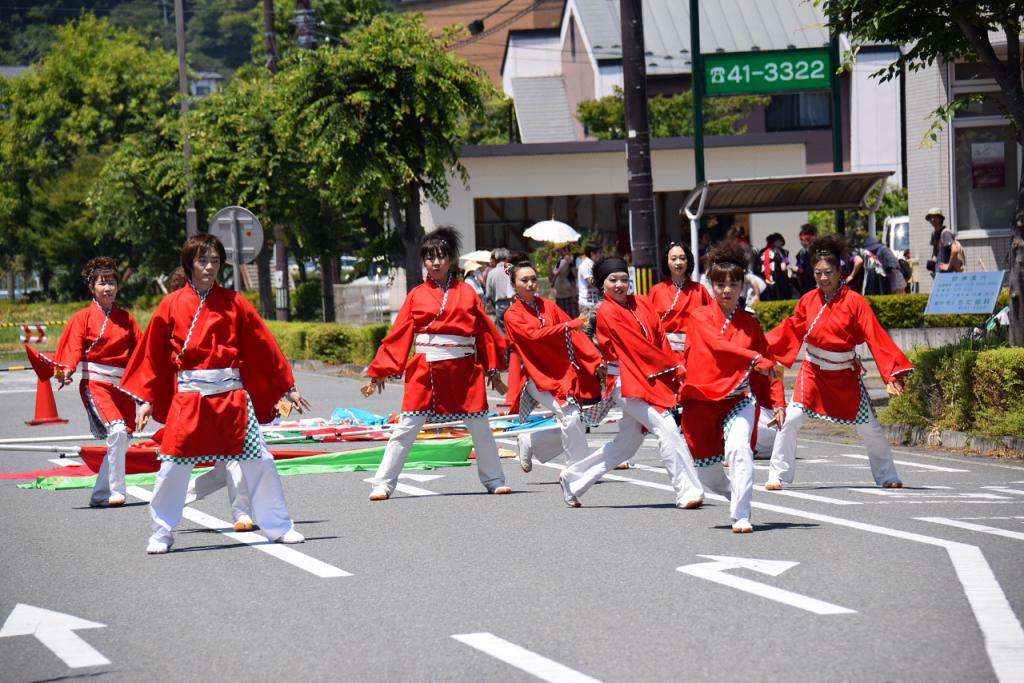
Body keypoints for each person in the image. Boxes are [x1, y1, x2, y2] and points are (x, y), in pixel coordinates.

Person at [121, 234, 309, 554]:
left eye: (215, 261)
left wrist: (286, 387)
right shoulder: (171, 305)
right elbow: (151, 354)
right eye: (202, 261)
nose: (209, 267)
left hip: (232, 396)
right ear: (189, 264)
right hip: (189, 398)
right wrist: (144, 401)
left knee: (260, 459)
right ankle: (162, 531)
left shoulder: (235, 303)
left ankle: (278, 526)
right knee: (173, 466)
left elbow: (264, 345)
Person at [363, 227, 511, 500]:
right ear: (423, 262)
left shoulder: (467, 292)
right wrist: (381, 369)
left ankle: (494, 478)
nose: (436, 262)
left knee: (480, 428)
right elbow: (400, 334)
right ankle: (383, 483)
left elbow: (485, 332)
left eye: (441, 256)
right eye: (430, 258)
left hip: (465, 370)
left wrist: (492, 366)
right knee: (406, 427)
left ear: (451, 259)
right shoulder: (417, 294)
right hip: (426, 368)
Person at [764, 235, 913, 491]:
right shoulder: (808, 300)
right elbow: (790, 330)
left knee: (870, 428)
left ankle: (887, 475)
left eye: (828, 273)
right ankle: (777, 475)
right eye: (818, 273)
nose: (823, 278)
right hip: (812, 374)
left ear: (840, 271)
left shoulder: (855, 302)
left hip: (845, 374)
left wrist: (891, 373)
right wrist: (764, 353)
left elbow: (875, 335)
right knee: (790, 420)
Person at [558, 257, 705, 509]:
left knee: (627, 445)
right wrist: (670, 368)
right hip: (626, 383)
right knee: (666, 426)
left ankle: (573, 479)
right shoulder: (606, 311)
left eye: (624, 279)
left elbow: (659, 337)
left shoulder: (642, 303)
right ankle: (687, 490)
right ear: (602, 285)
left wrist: (673, 365)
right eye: (612, 280)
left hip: (647, 376)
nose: (619, 285)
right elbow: (635, 346)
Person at [679, 242, 786, 533]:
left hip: (739, 399)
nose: (727, 290)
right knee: (707, 475)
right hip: (702, 400)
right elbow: (718, 345)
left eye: (733, 284)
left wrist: (778, 403)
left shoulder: (750, 324)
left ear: (743, 286)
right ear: (712, 285)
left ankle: (741, 514)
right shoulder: (699, 317)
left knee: (740, 450)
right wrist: (755, 358)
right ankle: (733, 492)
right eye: (720, 284)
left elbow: (770, 365)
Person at [52, 257, 142, 508]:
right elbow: (73, 348)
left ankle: (100, 494)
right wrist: (67, 368)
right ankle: (116, 491)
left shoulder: (127, 319)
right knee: (117, 431)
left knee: (122, 438)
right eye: (103, 283)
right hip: (97, 383)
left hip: (122, 387)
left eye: (112, 282)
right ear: (92, 287)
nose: (108, 288)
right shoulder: (82, 318)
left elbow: (142, 353)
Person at [504, 261, 603, 473]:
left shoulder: (548, 306)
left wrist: (595, 360)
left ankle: (531, 440)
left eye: (533, 279)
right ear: (514, 285)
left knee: (573, 418)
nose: (531, 284)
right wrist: (567, 325)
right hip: (537, 378)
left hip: (561, 374)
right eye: (524, 280)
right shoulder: (512, 315)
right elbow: (533, 336)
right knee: (571, 416)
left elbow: (574, 335)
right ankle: (578, 468)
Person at [647, 242, 711, 362]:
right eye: (673, 258)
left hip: (695, 352)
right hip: (666, 353)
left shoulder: (699, 290)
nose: (678, 262)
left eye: (682, 258)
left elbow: (713, 318)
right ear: (667, 261)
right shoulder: (657, 290)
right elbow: (648, 322)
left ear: (688, 261)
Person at [485, 247, 515, 334]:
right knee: (513, 328)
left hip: (499, 304)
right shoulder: (511, 269)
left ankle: (506, 346)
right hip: (514, 302)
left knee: (502, 330)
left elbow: (488, 293)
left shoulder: (492, 272)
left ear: (496, 259)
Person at [926, 207, 963, 274]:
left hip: (948, 275)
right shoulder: (934, 234)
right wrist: (933, 261)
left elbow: (955, 250)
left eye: (935, 217)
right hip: (939, 274)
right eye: (930, 217)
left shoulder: (945, 233)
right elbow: (935, 252)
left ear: (940, 218)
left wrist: (948, 266)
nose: (932, 219)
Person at [757, 233, 793, 301]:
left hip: (764, 287)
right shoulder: (783, 252)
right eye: (781, 244)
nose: (782, 246)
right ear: (778, 241)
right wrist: (789, 274)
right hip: (779, 287)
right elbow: (784, 268)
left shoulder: (761, 252)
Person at [548, 244, 578, 317]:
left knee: (574, 319)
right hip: (559, 296)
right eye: (559, 250)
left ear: (567, 250)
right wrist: (549, 264)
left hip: (569, 295)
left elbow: (557, 274)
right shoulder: (560, 261)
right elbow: (551, 278)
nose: (560, 252)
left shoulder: (570, 259)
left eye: (561, 250)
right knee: (563, 320)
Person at [576, 242, 601, 320]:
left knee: (595, 328)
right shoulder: (585, 265)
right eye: (599, 252)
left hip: (594, 303)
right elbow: (591, 282)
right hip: (586, 305)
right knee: (585, 328)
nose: (601, 255)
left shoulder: (593, 264)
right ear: (592, 253)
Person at [791, 224, 818, 295]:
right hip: (806, 286)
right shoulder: (801, 253)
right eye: (801, 240)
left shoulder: (819, 251)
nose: (803, 242)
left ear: (813, 238)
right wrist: (797, 269)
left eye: (806, 239)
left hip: (819, 284)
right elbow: (799, 267)